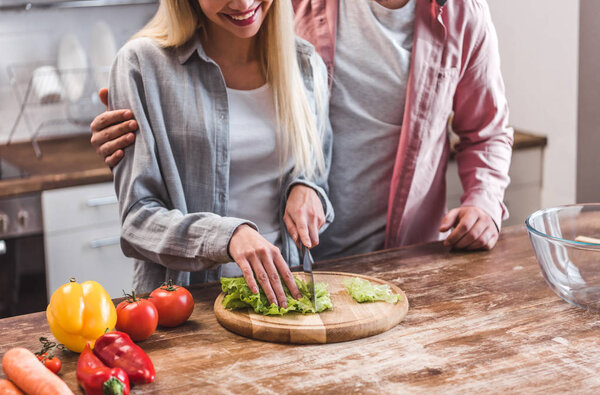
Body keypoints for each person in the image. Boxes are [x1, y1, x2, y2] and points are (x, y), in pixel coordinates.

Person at [91, 0, 512, 262]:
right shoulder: (286, 9)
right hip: (305, 262)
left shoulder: (461, 16)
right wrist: (144, 110)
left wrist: (486, 204)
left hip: (394, 257)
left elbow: (487, 131)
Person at [106, 0, 334, 308]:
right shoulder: (140, 64)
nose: (243, 4)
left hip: (281, 299)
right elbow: (138, 219)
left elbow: (315, 172)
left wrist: (308, 189)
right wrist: (227, 236)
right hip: (186, 310)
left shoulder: (306, 64)